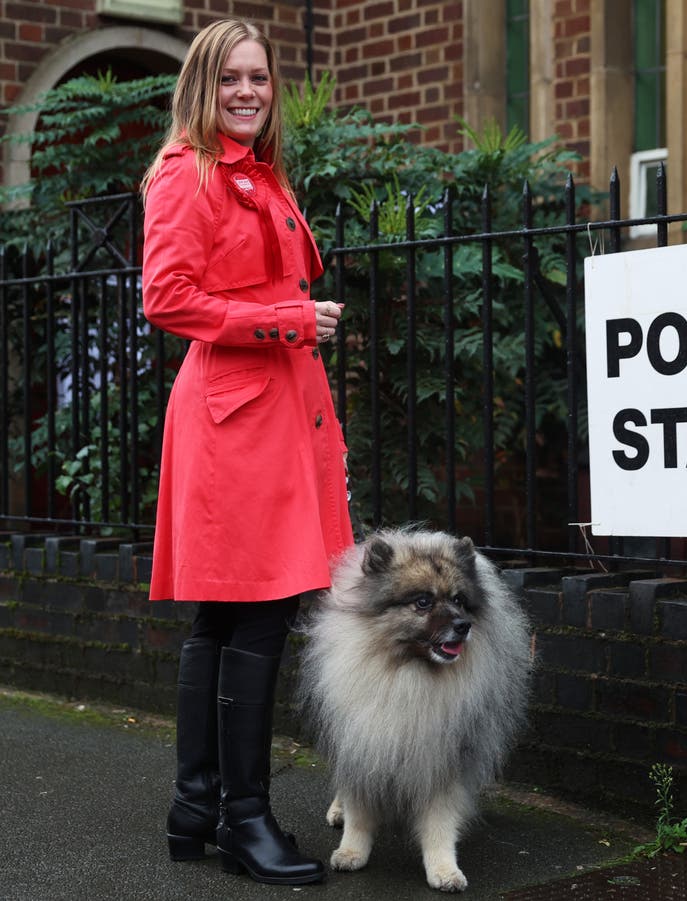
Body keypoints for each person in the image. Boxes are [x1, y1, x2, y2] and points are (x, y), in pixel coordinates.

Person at [140, 18, 353, 886]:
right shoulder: (185, 174)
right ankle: (244, 818)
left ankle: (198, 806)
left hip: (271, 414)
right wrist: (288, 320)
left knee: (223, 614)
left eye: (258, 78)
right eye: (229, 79)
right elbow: (166, 297)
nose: (246, 93)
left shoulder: (259, 174)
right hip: (235, 417)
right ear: (203, 85)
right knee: (258, 608)